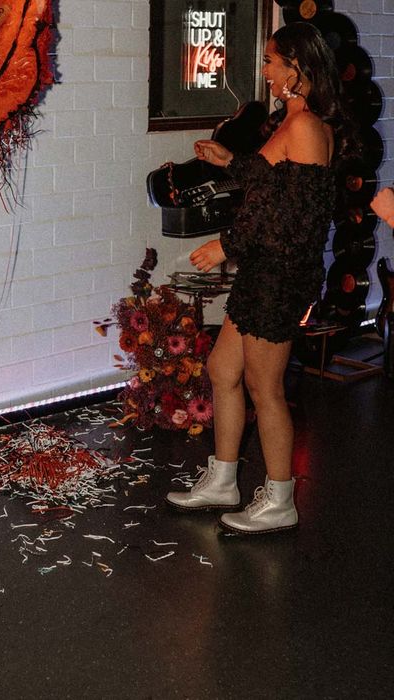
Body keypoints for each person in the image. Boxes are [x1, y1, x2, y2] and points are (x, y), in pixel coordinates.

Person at [166, 23, 357, 534]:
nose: (265, 70)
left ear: (297, 67)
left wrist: (224, 246)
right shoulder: (292, 123)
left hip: (281, 273)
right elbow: (270, 179)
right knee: (222, 370)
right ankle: (224, 480)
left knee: (264, 387)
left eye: (272, 60)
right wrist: (230, 160)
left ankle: (279, 499)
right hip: (263, 270)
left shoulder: (307, 126)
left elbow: (290, 217)